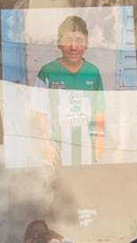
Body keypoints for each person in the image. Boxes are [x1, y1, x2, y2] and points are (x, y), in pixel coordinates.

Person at [33, 15, 106, 166]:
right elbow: (39, 113)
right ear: (59, 43)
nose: (73, 47)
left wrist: (99, 143)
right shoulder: (47, 72)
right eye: (68, 40)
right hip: (56, 152)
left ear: (87, 44)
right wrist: (45, 145)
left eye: (79, 40)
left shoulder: (93, 72)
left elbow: (99, 111)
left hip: (86, 151)